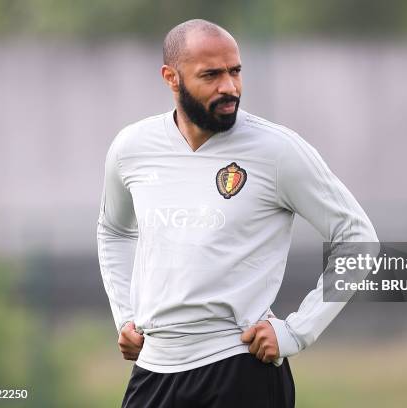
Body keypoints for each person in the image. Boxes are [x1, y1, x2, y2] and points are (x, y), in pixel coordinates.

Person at [97, 18, 378, 408]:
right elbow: (114, 230)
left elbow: (358, 238)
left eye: (235, 71)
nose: (229, 87)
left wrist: (297, 331)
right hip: (154, 371)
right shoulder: (132, 148)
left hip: (239, 368)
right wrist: (125, 316)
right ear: (171, 77)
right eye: (211, 75)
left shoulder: (277, 151)